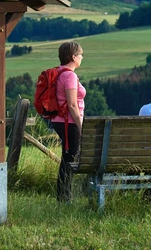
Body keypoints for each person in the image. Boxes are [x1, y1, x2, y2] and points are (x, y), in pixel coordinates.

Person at [51, 41, 86, 202]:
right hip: (69, 122)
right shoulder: (70, 75)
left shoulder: (59, 72)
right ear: (73, 56)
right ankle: (64, 196)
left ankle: (63, 195)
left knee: (68, 156)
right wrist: (82, 126)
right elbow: (72, 105)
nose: (82, 58)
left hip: (60, 120)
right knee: (70, 157)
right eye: (80, 55)